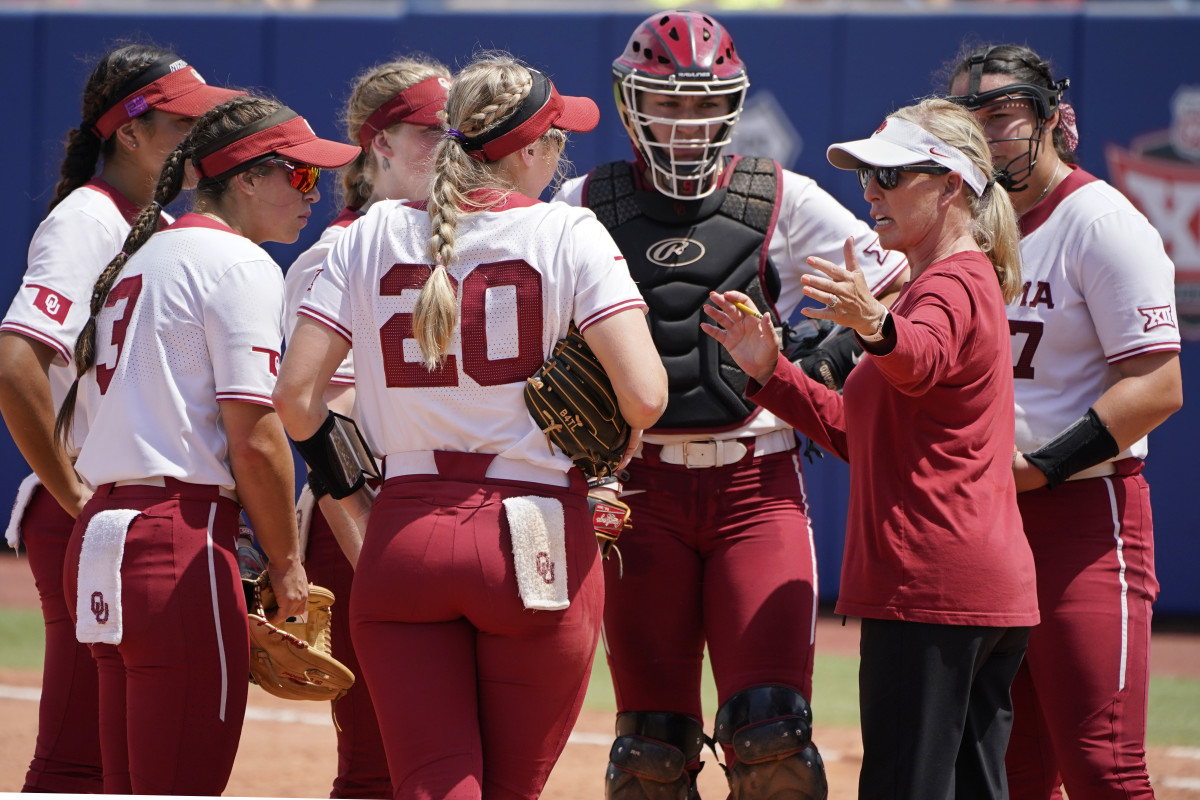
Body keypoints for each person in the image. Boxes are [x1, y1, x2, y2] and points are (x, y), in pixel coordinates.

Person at [272, 53, 668, 800]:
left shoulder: (369, 232)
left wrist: (355, 496)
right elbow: (646, 397)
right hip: (533, 530)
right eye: (557, 139)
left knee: (429, 786)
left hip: (404, 529)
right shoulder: (569, 231)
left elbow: (296, 398)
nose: (560, 155)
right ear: (527, 149)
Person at [552, 11, 907, 798]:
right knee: (649, 754)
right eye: (670, 104)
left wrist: (816, 363)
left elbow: (894, 279)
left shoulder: (782, 193)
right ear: (630, 102)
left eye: (707, 105)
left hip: (756, 485)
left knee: (774, 740)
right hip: (639, 492)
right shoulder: (580, 201)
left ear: (734, 105)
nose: (689, 122)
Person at [703, 98, 1039, 799]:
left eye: (891, 175)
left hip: (932, 591)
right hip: (973, 591)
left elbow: (918, 357)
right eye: (867, 177)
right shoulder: (950, 279)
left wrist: (876, 323)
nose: (872, 193)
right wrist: (772, 372)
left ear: (950, 184)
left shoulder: (949, 283)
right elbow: (867, 438)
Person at [52, 94, 359, 795]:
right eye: (301, 176)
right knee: (181, 786)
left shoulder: (137, 260)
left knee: (130, 785)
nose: (315, 193)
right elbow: (256, 438)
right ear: (246, 177)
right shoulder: (237, 263)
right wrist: (286, 565)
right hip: (176, 540)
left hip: (104, 532)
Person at [0, 43, 242, 793]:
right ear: (129, 132)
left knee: (115, 754)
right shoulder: (87, 221)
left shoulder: (160, 221)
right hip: (89, 507)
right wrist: (71, 490)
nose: (199, 138)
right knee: (79, 754)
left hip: (122, 510)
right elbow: (15, 364)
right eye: (183, 122)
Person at [947, 44, 1183, 800]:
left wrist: (1038, 467)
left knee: (1102, 765)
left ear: (1051, 117)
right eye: (968, 116)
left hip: (1083, 513)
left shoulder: (1102, 220)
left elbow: (1156, 385)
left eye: (1001, 113)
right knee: (1011, 773)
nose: (985, 133)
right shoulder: (965, 228)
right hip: (987, 522)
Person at [281, 54, 451, 799]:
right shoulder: (336, 253)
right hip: (364, 521)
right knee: (379, 765)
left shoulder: (468, 239)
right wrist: (369, 556)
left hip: (449, 522)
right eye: (432, 131)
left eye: (461, 131)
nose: (451, 146)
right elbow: (326, 424)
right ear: (378, 142)